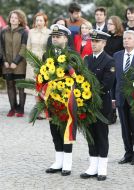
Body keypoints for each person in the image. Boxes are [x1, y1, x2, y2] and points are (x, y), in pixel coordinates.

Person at [80, 29, 115, 181]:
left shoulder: (109, 61)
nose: (93, 44)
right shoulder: (87, 59)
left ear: (104, 43)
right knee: (91, 136)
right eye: (92, 41)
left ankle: (102, 168)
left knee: (101, 136)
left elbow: (106, 85)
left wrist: (88, 92)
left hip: (101, 105)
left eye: (97, 41)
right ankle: (92, 167)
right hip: (87, 105)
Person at [44, 24, 74, 176]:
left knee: (66, 130)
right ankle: (58, 160)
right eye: (53, 36)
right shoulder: (47, 54)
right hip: (51, 98)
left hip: (67, 99)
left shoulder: (72, 55)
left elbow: (77, 77)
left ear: (65, 38)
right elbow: (42, 75)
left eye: (58, 36)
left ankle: (67, 163)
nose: (55, 39)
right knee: (54, 129)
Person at [113, 30, 134, 166]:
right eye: (124, 38)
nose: (126, 40)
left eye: (129, 38)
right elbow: (114, 79)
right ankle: (128, 153)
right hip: (121, 97)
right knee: (125, 127)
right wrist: (113, 97)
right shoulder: (117, 55)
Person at [0, 10, 28, 117]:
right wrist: (4, 61)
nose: (13, 19)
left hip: (20, 64)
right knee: (10, 85)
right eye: (12, 17)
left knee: (21, 86)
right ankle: (13, 107)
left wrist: (16, 62)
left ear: (20, 20)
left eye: (16, 18)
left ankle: (21, 109)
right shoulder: (3, 31)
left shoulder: (24, 32)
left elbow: (24, 48)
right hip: (6, 64)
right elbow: (1, 47)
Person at [104, 15, 124, 124]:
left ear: (116, 25)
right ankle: (111, 114)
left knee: (116, 91)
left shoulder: (121, 38)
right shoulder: (106, 37)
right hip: (108, 66)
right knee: (109, 91)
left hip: (117, 66)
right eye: (108, 24)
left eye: (111, 24)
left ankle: (119, 112)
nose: (108, 25)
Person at [26, 12, 51, 96]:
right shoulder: (31, 32)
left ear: (45, 22)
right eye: (37, 20)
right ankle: (38, 107)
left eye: (41, 20)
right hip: (32, 61)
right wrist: (28, 60)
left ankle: (44, 107)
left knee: (43, 84)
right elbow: (28, 47)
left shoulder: (49, 32)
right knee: (34, 87)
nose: (38, 22)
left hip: (43, 60)